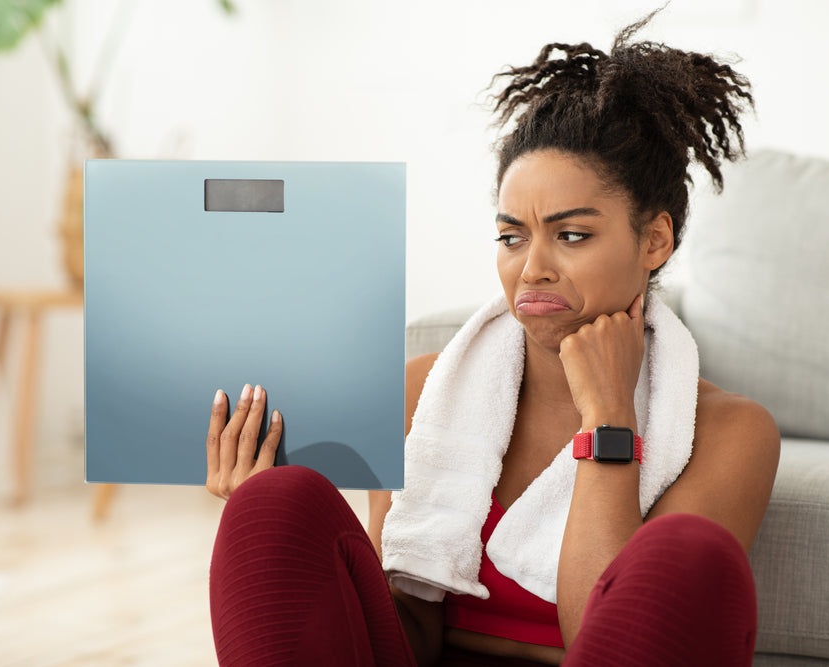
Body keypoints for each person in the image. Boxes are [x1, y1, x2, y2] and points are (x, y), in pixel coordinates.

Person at [206, 12, 780, 666]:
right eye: (511, 236)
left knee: (690, 554)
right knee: (275, 503)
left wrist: (610, 419)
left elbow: (600, 627)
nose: (531, 266)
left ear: (654, 239)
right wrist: (270, 518)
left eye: (571, 235)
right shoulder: (425, 393)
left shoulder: (731, 434)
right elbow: (409, 631)